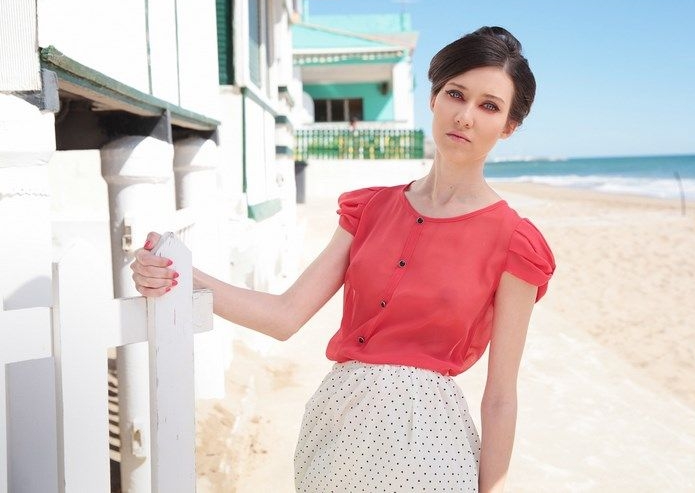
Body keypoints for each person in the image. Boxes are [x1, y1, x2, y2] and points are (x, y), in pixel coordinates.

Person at [131, 26, 555, 493]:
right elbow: (284, 316)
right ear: (434, 99)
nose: (466, 116)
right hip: (336, 430)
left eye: (489, 106)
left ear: (509, 127)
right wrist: (180, 275)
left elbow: (499, 398)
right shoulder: (369, 210)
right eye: (456, 94)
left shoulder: (516, 242)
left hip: (431, 445)